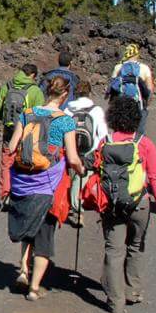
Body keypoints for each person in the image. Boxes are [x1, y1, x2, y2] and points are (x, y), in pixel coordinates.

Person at [5, 76, 84, 301]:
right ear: (65, 96)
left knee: (27, 224)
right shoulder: (65, 121)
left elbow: (12, 147)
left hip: (22, 180)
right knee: (44, 234)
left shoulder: (27, 114)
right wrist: (80, 170)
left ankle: (22, 269)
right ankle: (34, 288)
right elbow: (72, 157)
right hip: (48, 183)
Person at [94, 95, 156, 313]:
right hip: (139, 203)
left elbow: (97, 171)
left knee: (114, 251)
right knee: (135, 246)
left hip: (112, 203)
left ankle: (115, 302)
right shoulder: (144, 143)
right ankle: (133, 291)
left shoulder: (105, 142)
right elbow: (154, 176)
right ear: (136, 118)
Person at [0, 63, 45, 201]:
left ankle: (5, 196)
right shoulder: (35, 91)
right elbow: (40, 115)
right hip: (27, 133)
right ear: (33, 75)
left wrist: (5, 119)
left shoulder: (7, 86)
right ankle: (22, 194)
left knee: (7, 162)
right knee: (25, 161)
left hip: (9, 131)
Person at [65, 78, 108, 224]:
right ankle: (78, 207)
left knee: (73, 178)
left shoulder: (68, 110)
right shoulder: (96, 110)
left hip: (71, 150)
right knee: (81, 179)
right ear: (89, 93)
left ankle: (74, 205)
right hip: (90, 152)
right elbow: (103, 134)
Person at [110, 43, 156, 123]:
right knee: (139, 130)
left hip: (122, 103)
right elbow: (150, 88)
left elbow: (112, 87)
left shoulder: (118, 67)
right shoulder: (144, 68)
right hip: (138, 103)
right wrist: (147, 103)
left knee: (121, 129)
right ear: (137, 55)